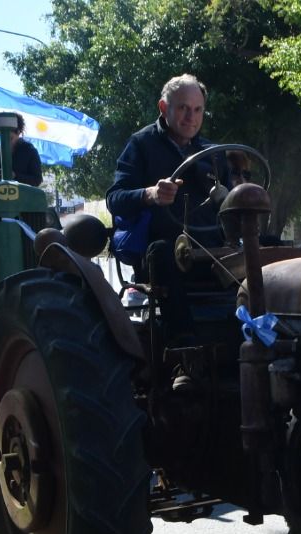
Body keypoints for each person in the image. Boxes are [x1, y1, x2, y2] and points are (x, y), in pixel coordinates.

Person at [106, 74, 233, 338]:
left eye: (198, 110)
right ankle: (186, 355)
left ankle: (265, 341)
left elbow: (232, 202)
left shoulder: (213, 152)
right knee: (163, 254)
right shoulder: (141, 144)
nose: (191, 117)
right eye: (183, 108)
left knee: (269, 247)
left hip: (213, 248)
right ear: (164, 108)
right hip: (165, 250)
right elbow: (115, 199)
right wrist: (149, 194)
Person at [0, 113, 42, 187]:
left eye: (10, 138)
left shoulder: (30, 151)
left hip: (23, 196)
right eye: (4, 138)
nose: (6, 143)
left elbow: (37, 180)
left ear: (18, 132)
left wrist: (15, 176)